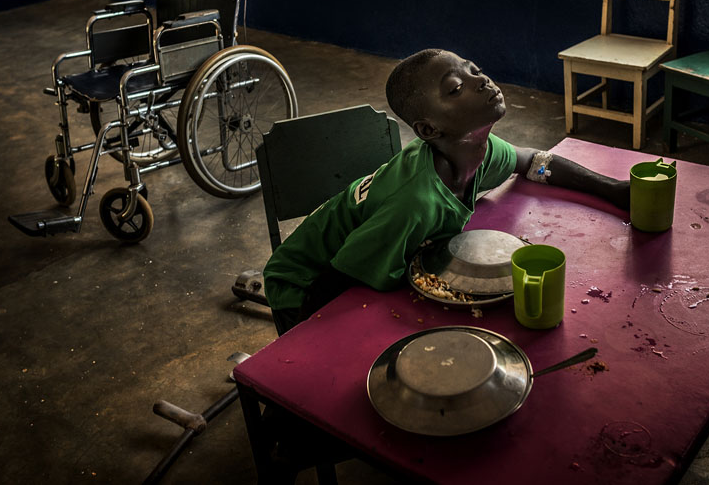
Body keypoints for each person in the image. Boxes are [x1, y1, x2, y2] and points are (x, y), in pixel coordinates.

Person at [263, 48, 630, 335]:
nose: (480, 81)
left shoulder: (480, 152)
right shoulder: (412, 204)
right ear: (429, 129)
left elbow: (537, 162)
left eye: (473, 70)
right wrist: (306, 331)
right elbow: (342, 280)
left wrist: (613, 189)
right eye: (455, 88)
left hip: (358, 259)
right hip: (304, 285)